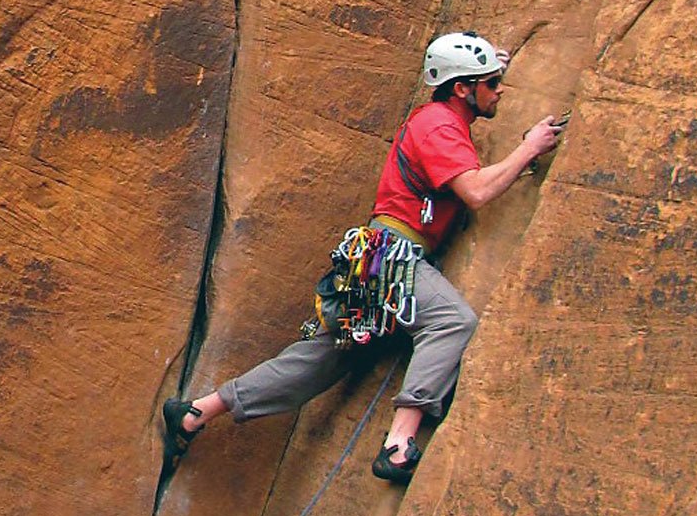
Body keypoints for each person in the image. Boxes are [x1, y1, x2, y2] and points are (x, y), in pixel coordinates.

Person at [162, 31, 565, 484]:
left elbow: (472, 117)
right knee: (452, 320)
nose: (501, 90)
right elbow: (475, 190)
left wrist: (493, 64)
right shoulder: (438, 125)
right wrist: (529, 147)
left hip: (375, 259)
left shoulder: (443, 116)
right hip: (394, 255)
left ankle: (197, 411)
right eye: (492, 82)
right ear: (462, 88)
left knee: (324, 356)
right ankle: (398, 444)